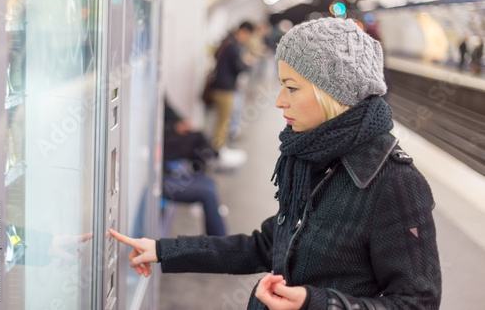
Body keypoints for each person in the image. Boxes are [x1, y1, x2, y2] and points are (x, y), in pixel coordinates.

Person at [110, 18, 441, 309]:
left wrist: (318, 304)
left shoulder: (394, 183)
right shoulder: (309, 158)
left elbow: (417, 303)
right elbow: (266, 246)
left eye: (292, 88)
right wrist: (163, 250)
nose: (280, 101)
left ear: (334, 94)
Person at [161, 99, 232, 236]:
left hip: (161, 167)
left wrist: (178, 122)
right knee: (207, 189)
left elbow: (165, 105)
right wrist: (174, 127)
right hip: (157, 179)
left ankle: (220, 245)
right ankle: (220, 245)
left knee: (208, 184)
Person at [210, 21, 254, 153]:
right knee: (223, 122)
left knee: (220, 120)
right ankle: (219, 150)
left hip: (218, 86)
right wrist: (247, 63)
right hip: (225, 89)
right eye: (247, 35)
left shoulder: (226, 42)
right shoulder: (233, 46)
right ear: (243, 31)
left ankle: (218, 148)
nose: (246, 39)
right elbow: (239, 68)